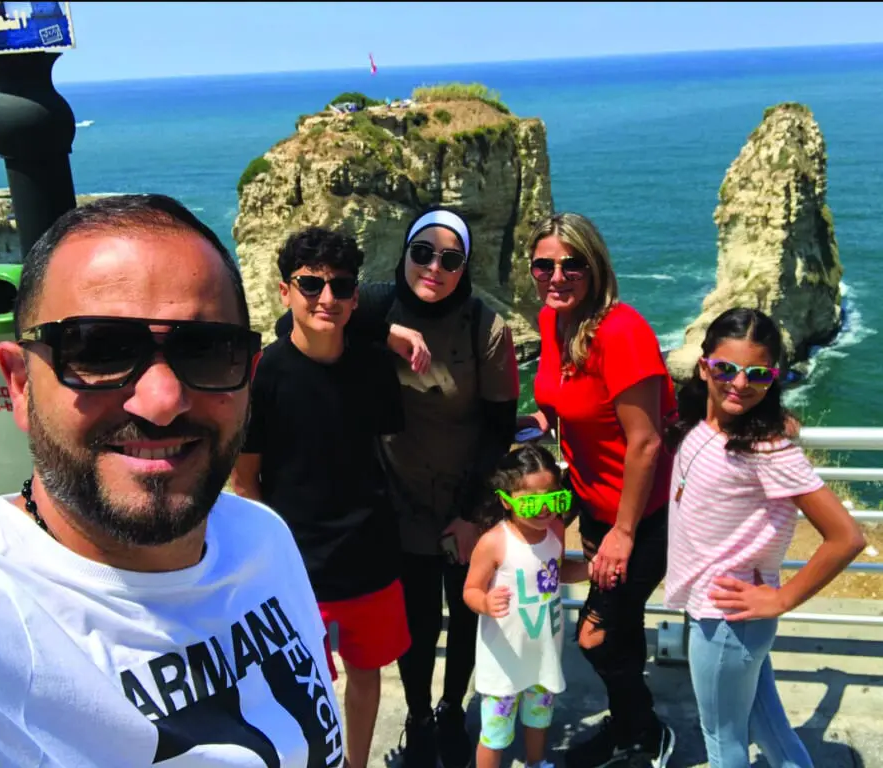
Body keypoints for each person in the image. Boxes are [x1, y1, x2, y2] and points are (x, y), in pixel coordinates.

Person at [0, 194, 344, 766]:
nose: (162, 401)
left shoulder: (262, 537)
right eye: (99, 348)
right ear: (19, 384)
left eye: (207, 350)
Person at [274, 207, 519, 768]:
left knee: (463, 614)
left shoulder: (486, 326)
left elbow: (500, 428)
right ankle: (418, 716)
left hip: (465, 496)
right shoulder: (373, 301)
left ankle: (452, 710)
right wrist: (388, 330)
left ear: (465, 268)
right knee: (414, 620)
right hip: (397, 500)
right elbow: (318, 312)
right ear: (404, 254)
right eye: (422, 253)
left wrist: (472, 514)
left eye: (450, 259)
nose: (434, 267)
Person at [231, 227, 411, 768]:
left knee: (366, 674)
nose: (326, 298)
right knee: (296, 685)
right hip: (297, 567)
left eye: (340, 286)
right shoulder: (264, 376)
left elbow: (385, 451)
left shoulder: (377, 367)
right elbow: (246, 482)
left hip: (370, 555)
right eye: (311, 285)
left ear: (355, 296)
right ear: (286, 292)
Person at [663, 308, 865, 768]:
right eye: (725, 369)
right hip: (725, 616)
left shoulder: (766, 449)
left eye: (757, 374)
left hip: (730, 618)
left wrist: (781, 600)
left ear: (773, 378)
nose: (739, 383)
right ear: (703, 366)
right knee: (769, 726)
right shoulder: (704, 425)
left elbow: (846, 536)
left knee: (723, 742)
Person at [519, 212, 678, 767]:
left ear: (596, 267)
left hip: (643, 514)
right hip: (592, 502)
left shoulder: (622, 332)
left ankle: (647, 729)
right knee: (620, 621)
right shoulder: (552, 321)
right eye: (544, 265)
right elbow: (559, 396)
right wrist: (537, 420)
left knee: (596, 636)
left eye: (572, 265)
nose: (556, 276)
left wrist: (624, 534)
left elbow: (647, 442)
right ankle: (630, 729)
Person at [463, 444, 590, 768]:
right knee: (494, 732)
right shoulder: (494, 541)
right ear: (506, 501)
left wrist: (591, 568)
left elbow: (553, 572)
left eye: (554, 499)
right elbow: (471, 590)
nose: (544, 510)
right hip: (504, 658)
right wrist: (486, 602)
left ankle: (537, 762)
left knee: (539, 718)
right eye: (532, 502)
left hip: (543, 652)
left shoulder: (556, 531)